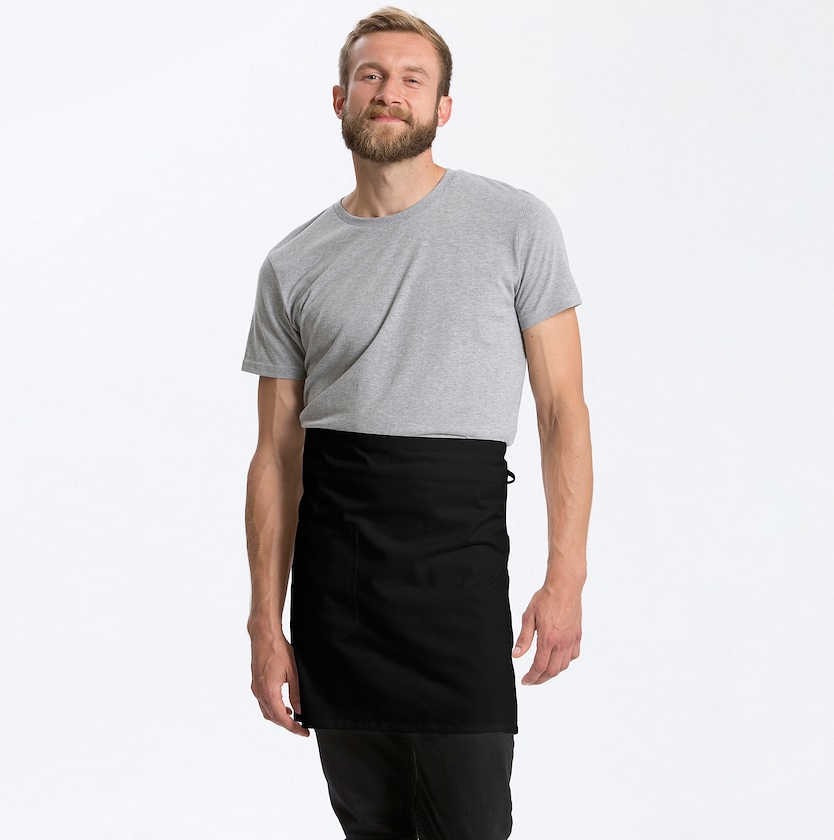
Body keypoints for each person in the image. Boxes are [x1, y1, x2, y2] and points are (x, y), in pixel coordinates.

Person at [242, 7, 592, 839]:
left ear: (443, 106)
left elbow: (561, 413)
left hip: (458, 573)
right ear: (340, 98)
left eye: (411, 78)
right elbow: (276, 457)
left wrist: (566, 578)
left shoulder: (516, 225)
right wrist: (263, 622)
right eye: (370, 75)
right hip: (338, 588)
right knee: (372, 825)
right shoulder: (293, 262)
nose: (389, 92)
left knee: (472, 822)